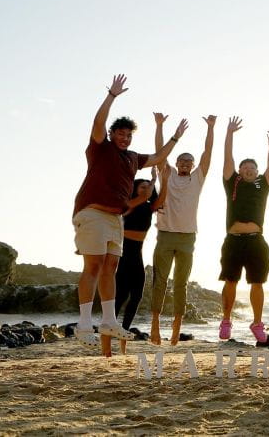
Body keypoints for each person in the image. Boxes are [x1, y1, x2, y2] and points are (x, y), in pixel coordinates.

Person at [72, 74, 188, 347]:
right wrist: (111, 96)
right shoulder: (101, 149)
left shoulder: (133, 158)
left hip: (115, 218)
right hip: (93, 212)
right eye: (120, 134)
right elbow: (98, 123)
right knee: (93, 266)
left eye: (128, 135)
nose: (124, 138)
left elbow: (158, 158)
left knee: (110, 267)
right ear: (112, 135)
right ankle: (84, 324)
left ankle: (108, 321)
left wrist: (175, 138)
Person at [148, 113, 217, 346]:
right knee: (159, 281)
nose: (186, 163)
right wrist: (159, 126)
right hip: (165, 236)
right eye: (182, 160)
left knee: (181, 283)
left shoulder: (197, 179)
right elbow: (159, 151)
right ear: (176, 163)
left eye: (189, 161)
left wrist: (210, 128)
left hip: (188, 238)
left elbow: (208, 153)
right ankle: (155, 325)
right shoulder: (166, 173)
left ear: (193, 165)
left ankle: (177, 327)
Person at [218, 116, 269, 343]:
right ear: (239, 171)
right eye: (244, 167)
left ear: (256, 171)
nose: (248, 170)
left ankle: (257, 323)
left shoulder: (262, 184)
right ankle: (226, 320)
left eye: (252, 168)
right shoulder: (232, 182)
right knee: (230, 281)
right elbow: (227, 158)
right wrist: (229, 134)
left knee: (257, 282)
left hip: (256, 240)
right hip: (233, 240)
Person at [115, 167, 169, 354]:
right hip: (123, 256)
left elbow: (160, 199)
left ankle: (123, 335)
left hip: (137, 256)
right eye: (142, 187)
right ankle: (107, 335)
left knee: (136, 297)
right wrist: (152, 181)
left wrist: (163, 180)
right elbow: (139, 200)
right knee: (120, 298)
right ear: (134, 189)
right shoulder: (127, 205)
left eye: (148, 187)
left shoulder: (149, 207)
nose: (146, 190)